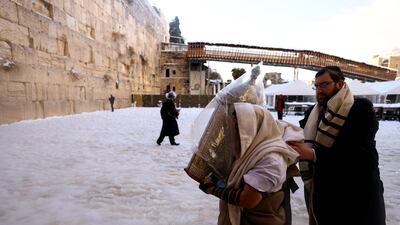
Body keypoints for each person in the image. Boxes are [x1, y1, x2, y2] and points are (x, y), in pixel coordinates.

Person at [288, 66, 386, 225]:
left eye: (324, 85)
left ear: (339, 84)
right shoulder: (313, 112)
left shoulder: (360, 109)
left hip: (357, 193)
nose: (319, 90)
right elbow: (305, 138)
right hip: (322, 190)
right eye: (317, 85)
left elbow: (358, 153)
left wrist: (313, 155)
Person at [199, 102, 303, 225]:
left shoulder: (271, 160)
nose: (233, 132)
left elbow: (247, 200)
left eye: (239, 128)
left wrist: (212, 189)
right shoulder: (251, 149)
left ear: (254, 127)